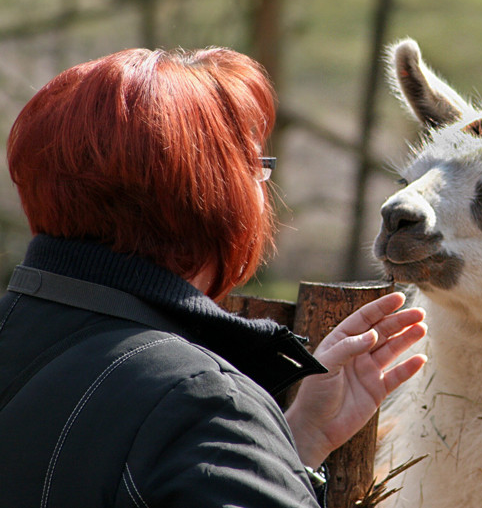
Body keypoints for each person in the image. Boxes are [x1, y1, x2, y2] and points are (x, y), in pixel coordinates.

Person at [0, 47, 427, 507]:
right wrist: (245, 433)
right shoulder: (204, 404)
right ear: (215, 198)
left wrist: (291, 444)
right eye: (257, 171)